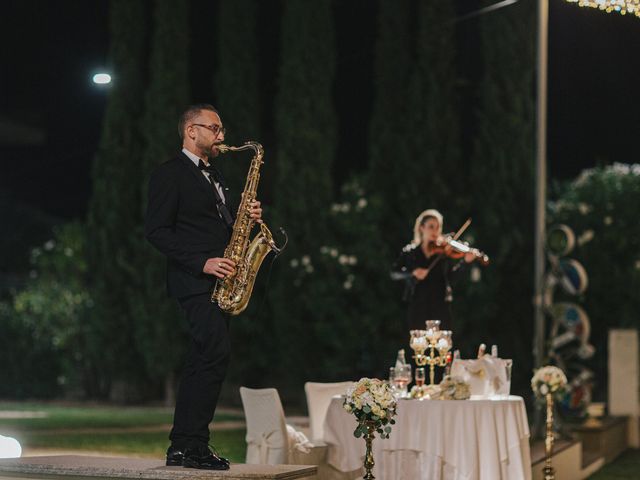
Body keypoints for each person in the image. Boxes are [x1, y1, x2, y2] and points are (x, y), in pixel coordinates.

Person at [145, 104, 262, 470]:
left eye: (221, 129)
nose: (221, 136)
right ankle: (193, 444)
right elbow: (157, 231)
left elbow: (223, 228)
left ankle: (184, 445)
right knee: (214, 352)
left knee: (203, 357)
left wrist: (245, 217)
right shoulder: (170, 174)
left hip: (221, 281)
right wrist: (202, 262)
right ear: (191, 131)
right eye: (215, 129)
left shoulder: (217, 176)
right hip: (195, 281)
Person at [391, 209, 475, 332]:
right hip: (417, 308)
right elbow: (394, 273)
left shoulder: (444, 253)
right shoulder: (410, 252)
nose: (435, 231)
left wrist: (465, 263)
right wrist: (412, 273)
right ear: (421, 227)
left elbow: (451, 278)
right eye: (431, 226)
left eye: (438, 227)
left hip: (440, 308)